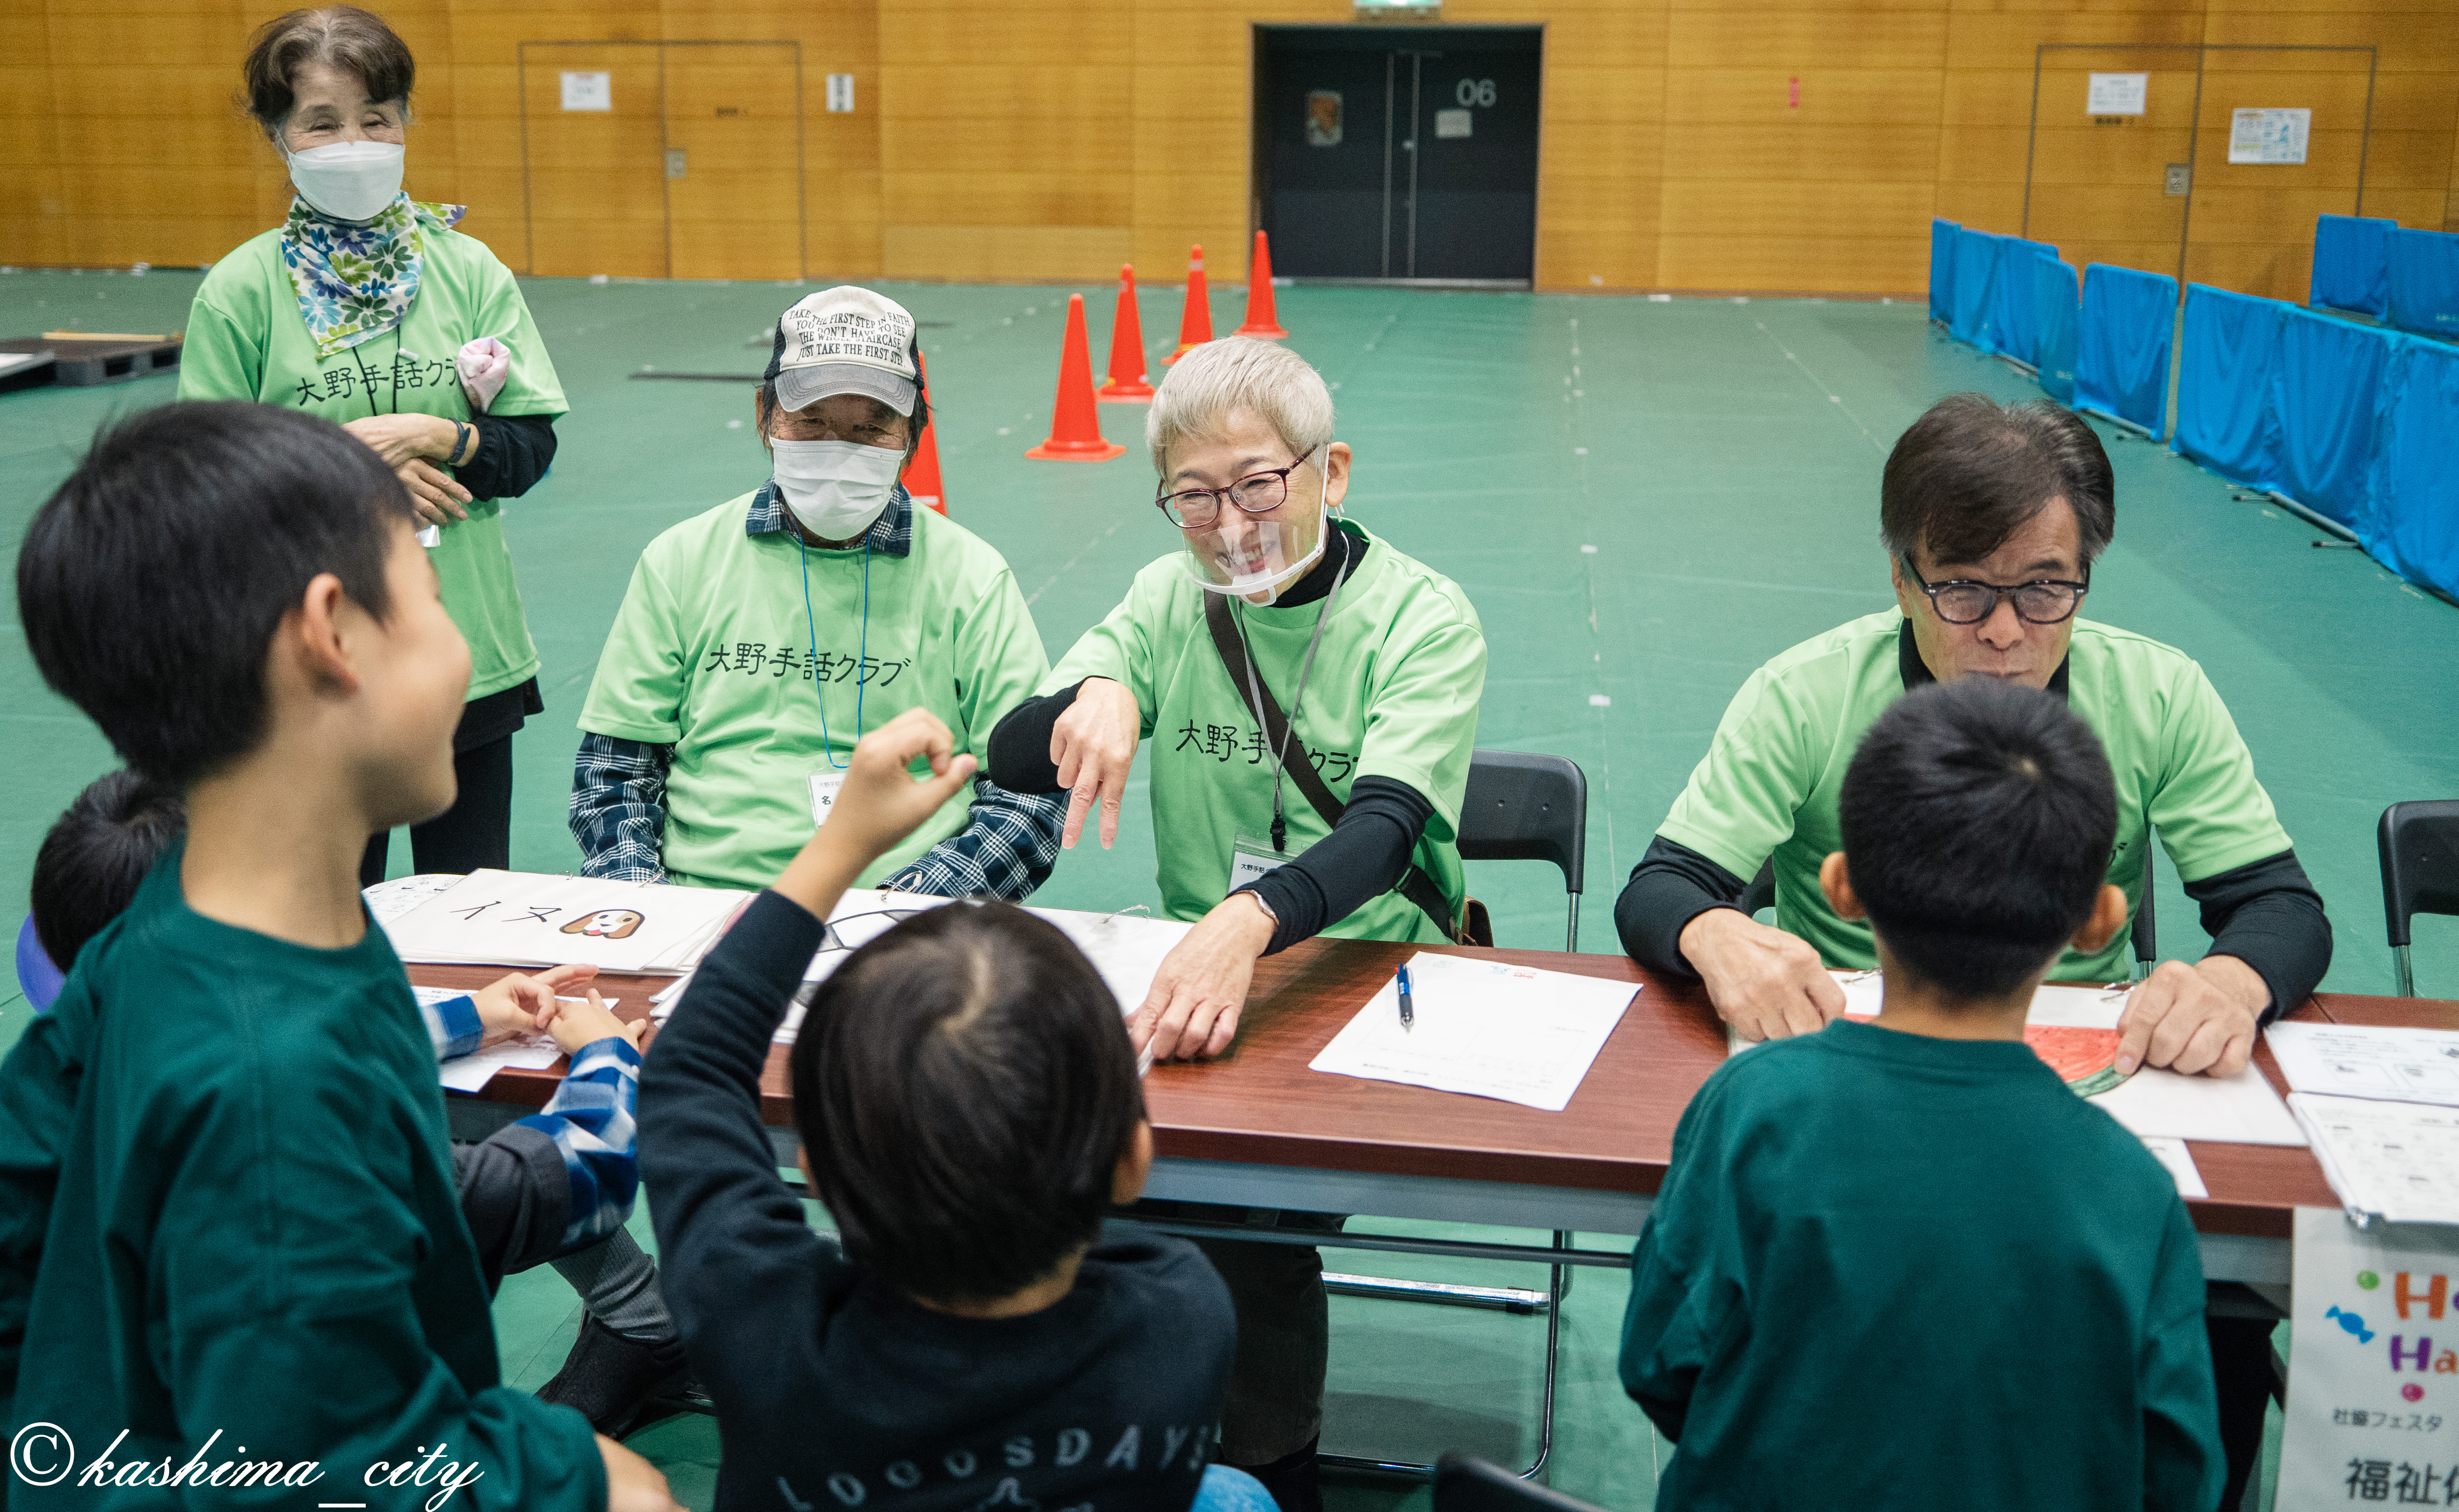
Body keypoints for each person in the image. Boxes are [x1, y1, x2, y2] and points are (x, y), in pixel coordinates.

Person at [1615, 392, 2325, 1506]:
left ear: (2086, 572)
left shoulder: (2158, 692)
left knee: (2212, 1304)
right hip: (1873, 1091)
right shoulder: (1805, 694)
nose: (2002, 632)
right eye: (1961, 588)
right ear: (1901, 577)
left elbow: (2276, 904)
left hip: (2086, 1098)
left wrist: (2233, 978)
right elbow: (1662, 885)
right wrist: (1714, 931)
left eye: (2044, 588)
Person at [0, 400, 676, 1512]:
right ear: (332, 635)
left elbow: (19, 1214)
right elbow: (331, 1466)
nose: (460, 647)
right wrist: (575, 1475)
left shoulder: (165, 934)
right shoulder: (273, 1091)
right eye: (435, 600)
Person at [986, 335, 1487, 1512]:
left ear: (1330, 471)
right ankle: (1121, 1443)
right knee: (1033, 1143)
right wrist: (1094, 694)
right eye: (1194, 497)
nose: (1229, 526)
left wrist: (1248, 917)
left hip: (1369, 970)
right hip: (1193, 966)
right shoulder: (1170, 596)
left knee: (1224, 1206)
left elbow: (1386, 830)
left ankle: (1263, 1463)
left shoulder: (1421, 616)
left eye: (1258, 484)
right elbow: (1013, 751)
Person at [1619, 676, 2225, 1512]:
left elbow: (1660, 1362)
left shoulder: (1753, 1110)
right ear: (2100, 918)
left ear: (1840, 886)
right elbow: (2177, 1473)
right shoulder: (2131, 1186)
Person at [638, 707, 1265, 1512]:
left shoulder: (763, 1330)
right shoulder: (1181, 1313)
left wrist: (841, 846)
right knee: (1232, 1494)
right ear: (1131, 1159)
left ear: (818, 1172)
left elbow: (689, 1070)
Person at [24, 768, 688, 1436]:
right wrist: (608, 1055)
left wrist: (467, 1019)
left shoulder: (44, 1094)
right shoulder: (303, 1153)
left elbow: (282, 1041)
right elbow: (565, 1177)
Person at [176, 3, 568, 886]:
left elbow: (529, 447)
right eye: (322, 123)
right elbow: (202, 493)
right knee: (328, 911)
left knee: (471, 908)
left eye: (375, 119)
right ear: (278, 136)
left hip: (465, 649)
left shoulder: (469, 270)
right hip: (318, 663)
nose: (353, 143)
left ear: (404, 124)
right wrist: (346, 471)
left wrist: (441, 435)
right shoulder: (240, 293)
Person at [573, 285, 1064, 897]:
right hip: (702, 898)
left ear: (912, 434)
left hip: (895, 911)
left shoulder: (972, 578)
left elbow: (1029, 794)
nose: (838, 449)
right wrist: (647, 906)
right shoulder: (680, 562)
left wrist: (901, 911)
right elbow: (613, 773)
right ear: (764, 416)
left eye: (871, 427)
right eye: (811, 422)